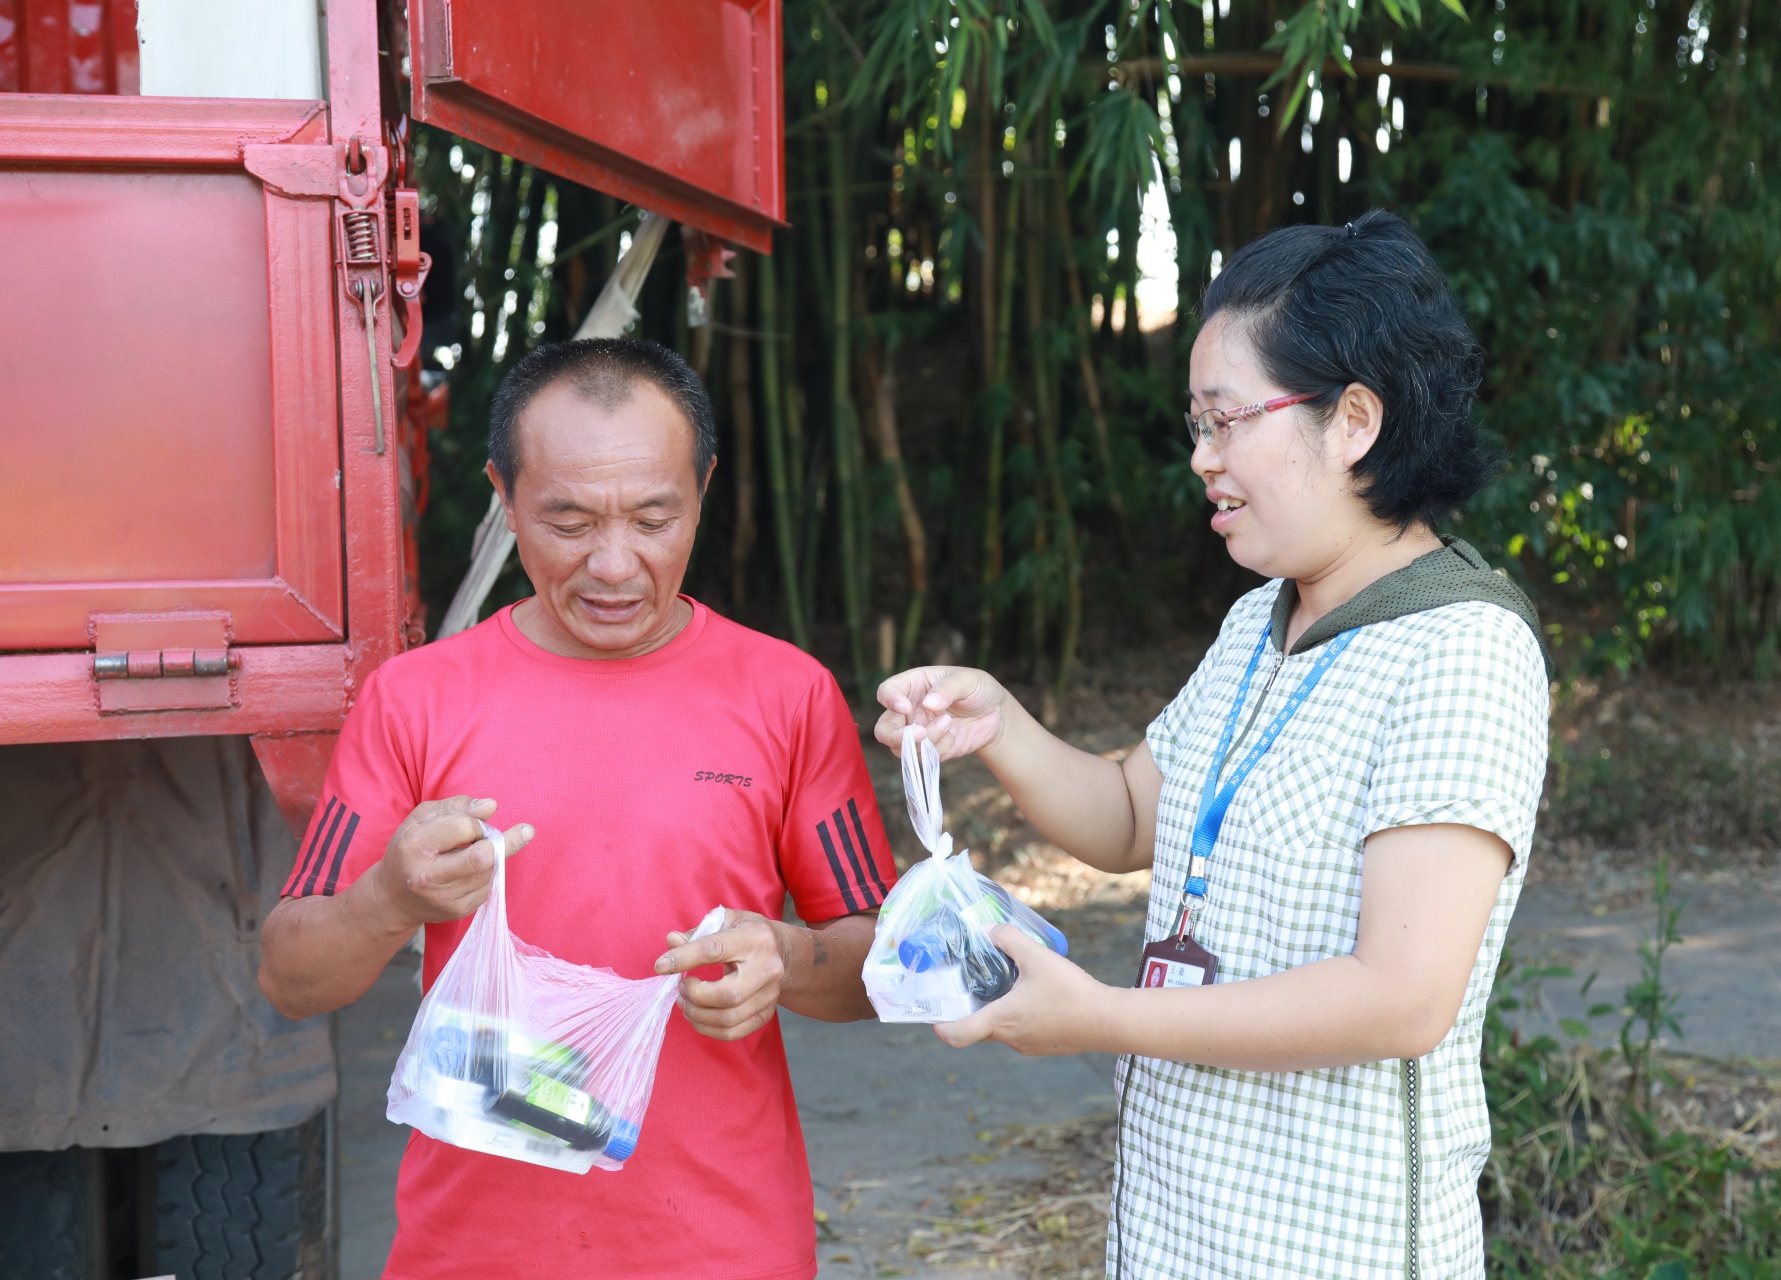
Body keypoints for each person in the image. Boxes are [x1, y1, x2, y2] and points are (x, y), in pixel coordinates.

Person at [875, 210, 1552, 1279]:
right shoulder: (1261, 620)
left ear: (1354, 420)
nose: (1202, 458)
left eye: (1227, 421)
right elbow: (1134, 815)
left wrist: (1106, 1015)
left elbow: (1401, 994)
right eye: (1196, 424)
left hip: (1341, 1247)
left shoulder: (1463, 650)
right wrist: (999, 722)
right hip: (1183, 1232)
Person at [258, 338, 892, 1280]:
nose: (613, 564)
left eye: (652, 517)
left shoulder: (786, 695)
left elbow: (880, 965)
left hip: (722, 1244)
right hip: (473, 1249)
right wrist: (388, 897)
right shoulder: (416, 700)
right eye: (566, 520)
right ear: (502, 497)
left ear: (704, 488)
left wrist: (787, 960)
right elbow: (291, 975)